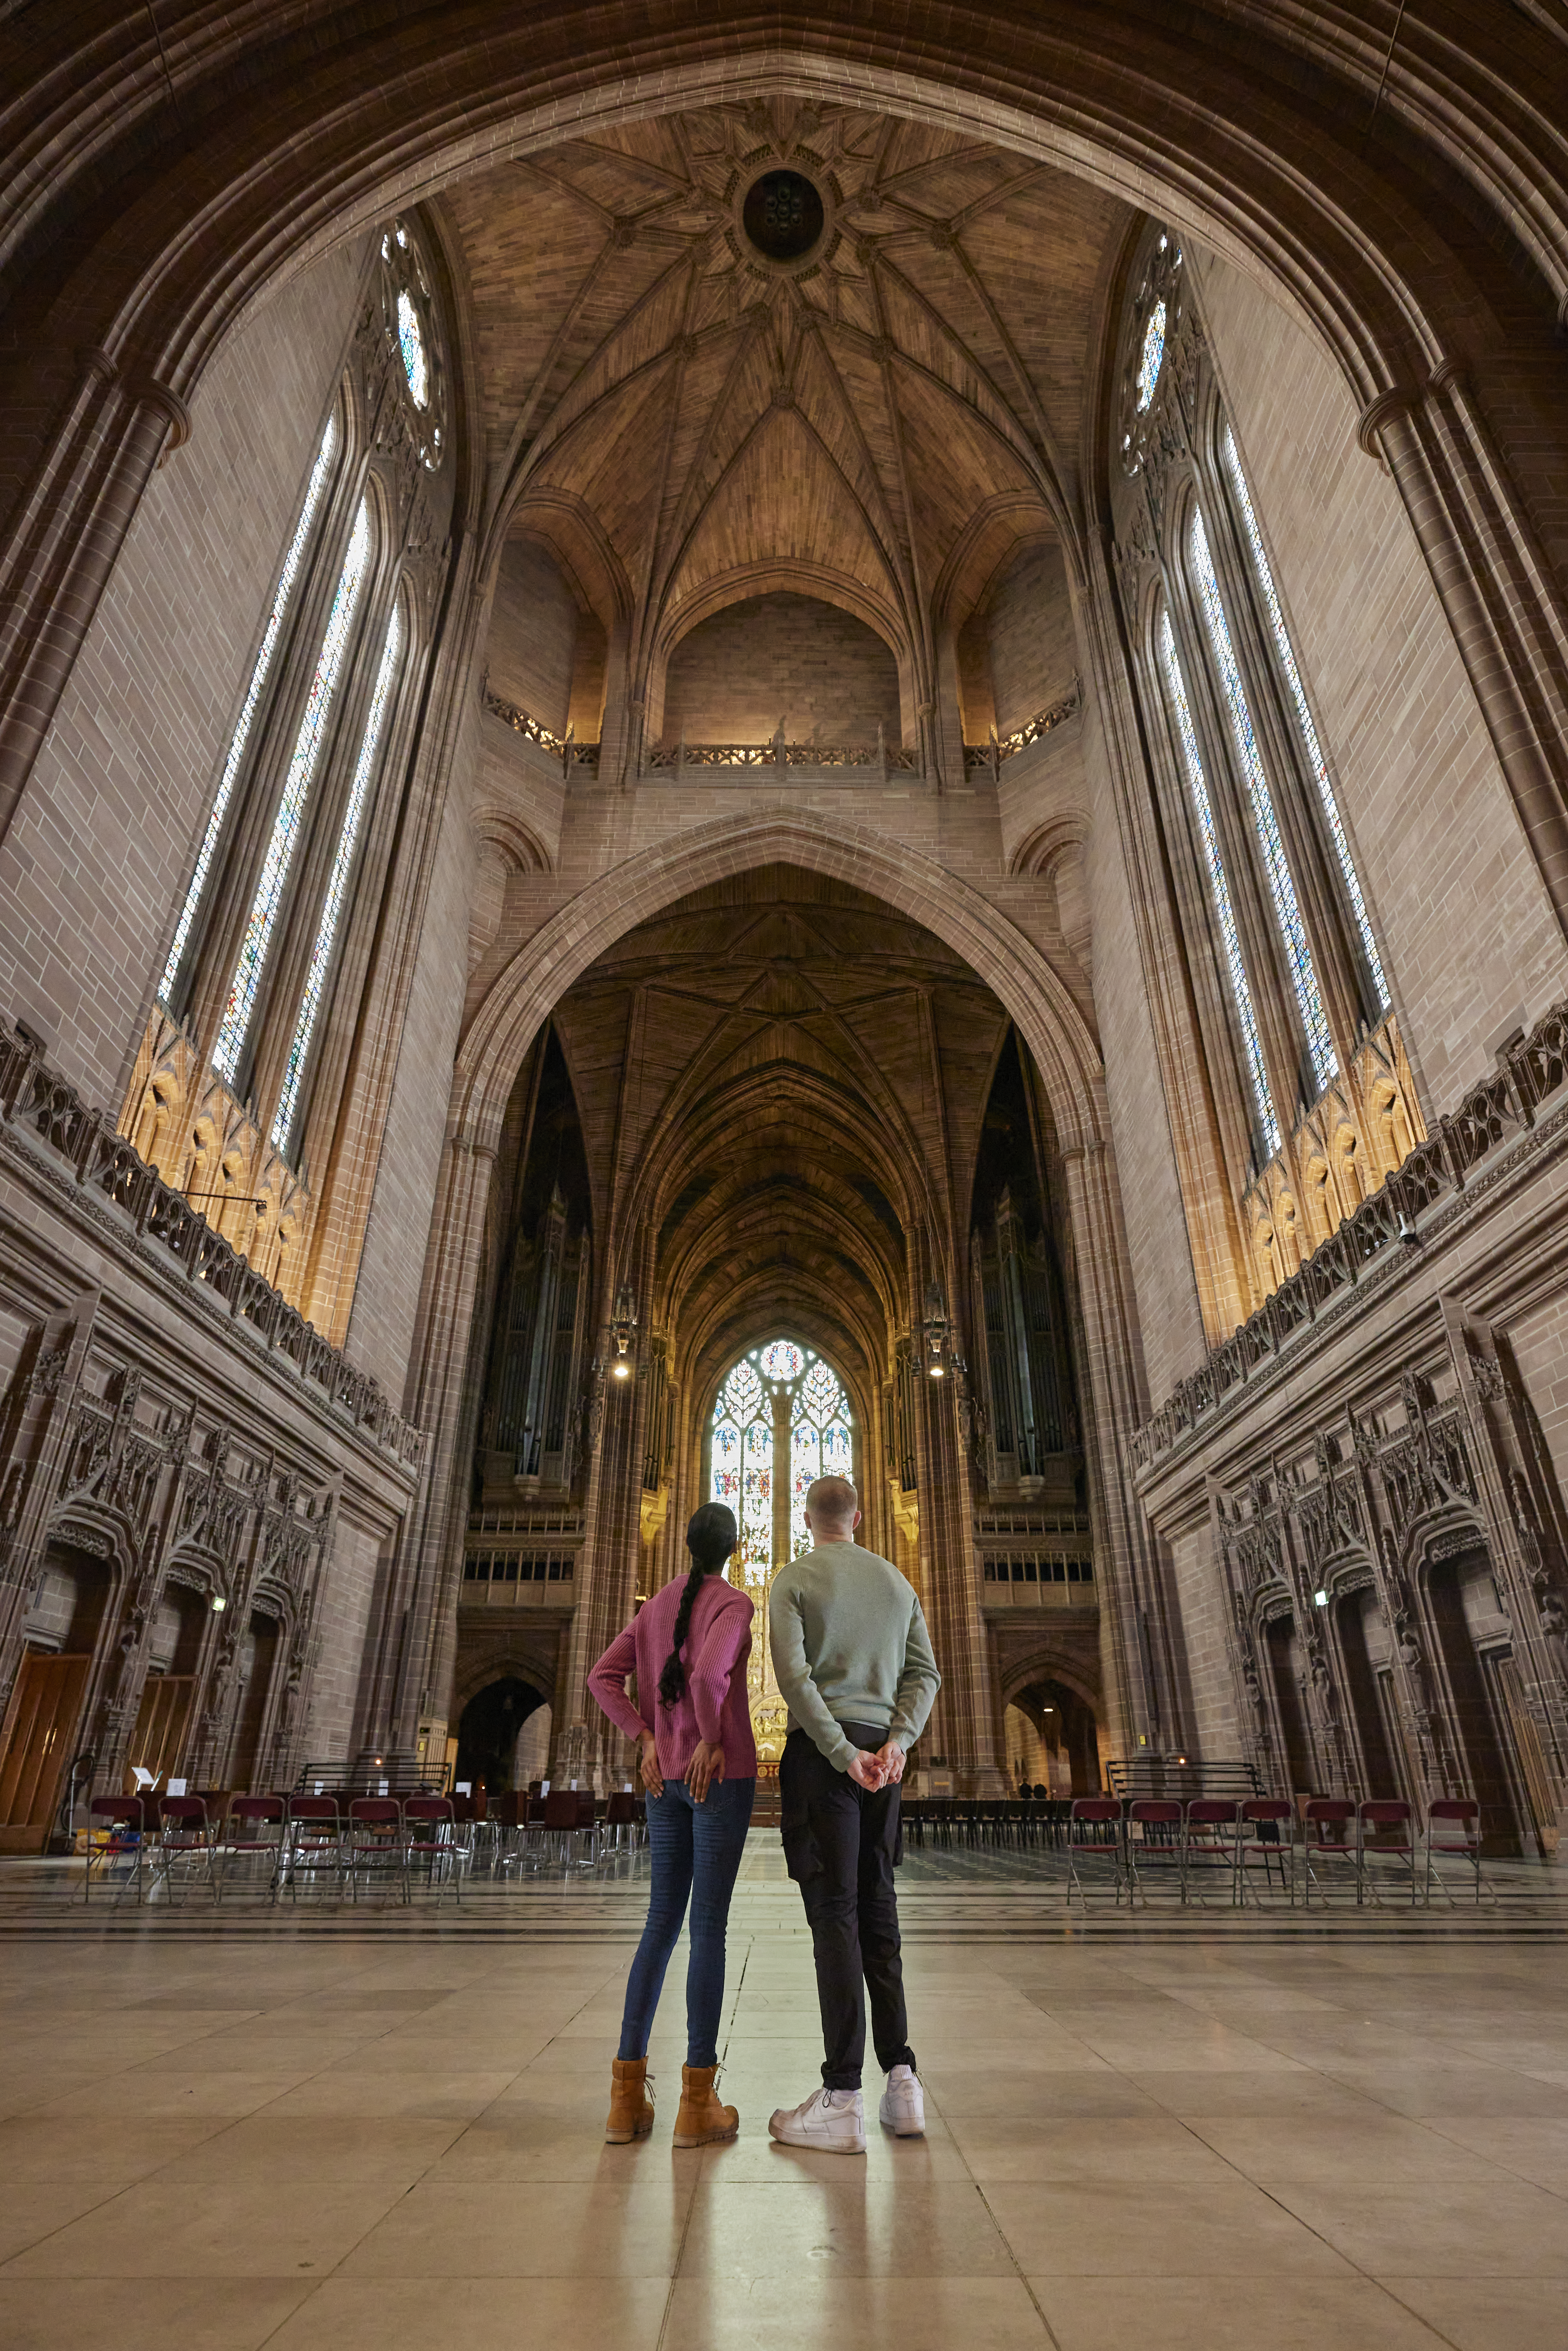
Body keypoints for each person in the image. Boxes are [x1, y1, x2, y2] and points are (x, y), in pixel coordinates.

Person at [767, 1473, 941, 2154]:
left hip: (827, 1758)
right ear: (861, 1518)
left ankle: (842, 2094)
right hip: (884, 1762)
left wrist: (841, 1753)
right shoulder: (898, 1584)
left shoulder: (795, 1579)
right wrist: (897, 1742)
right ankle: (902, 2082)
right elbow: (925, 1674)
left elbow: (793, 1677)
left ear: (807, 1518)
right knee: (880, 1907)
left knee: (835, 1914)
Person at [587, 1501, 756, 2149]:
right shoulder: (734, 1604)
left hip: (665, 1783)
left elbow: (602, 1678)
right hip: (719, 1780)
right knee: (707, 1925)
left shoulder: (655, 1604)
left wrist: (647, 1737)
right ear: (733, 1549)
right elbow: (709, 1674)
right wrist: (711, 1739)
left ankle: (625, 2100)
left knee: (660, 1924)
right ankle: (696, 2100)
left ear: (687, 1545)